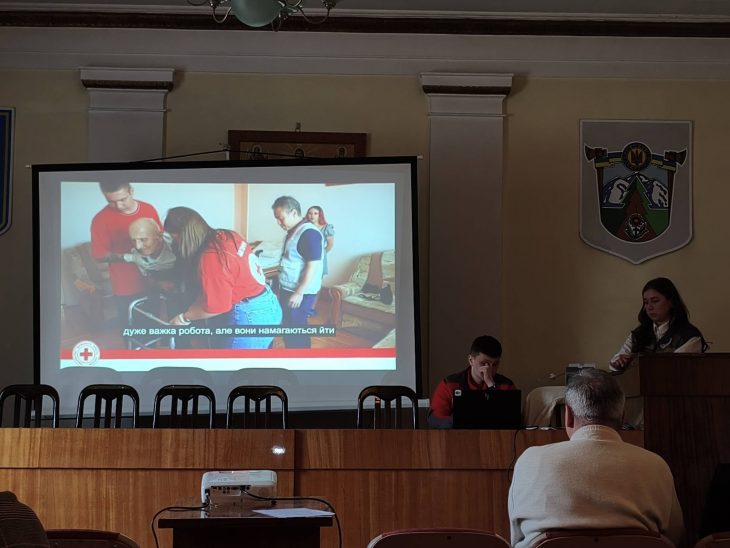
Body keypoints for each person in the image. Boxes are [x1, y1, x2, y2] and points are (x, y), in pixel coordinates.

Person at [508, 368, 684, 548]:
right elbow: (675, 536)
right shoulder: (656, 465)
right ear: (622, 416)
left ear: (568, 415)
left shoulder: (530, 461)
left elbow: (517, 538)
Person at [165, 207, 282, 349]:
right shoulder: (227, 235)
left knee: (236, 362)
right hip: (269, 304)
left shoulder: (211, 257)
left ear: (185, 236)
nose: (175, 244)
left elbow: (217, 307)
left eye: (175, 239)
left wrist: (184, 318)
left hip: (251, 315)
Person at [90, 181, 161, 325]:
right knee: (130, 329)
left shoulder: (148, 209)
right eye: (111, 202)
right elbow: (99, 256)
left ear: (131, 191)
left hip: (153, 279)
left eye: (123, 199)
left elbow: (160, 238)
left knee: (153, 324)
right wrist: (131, 258)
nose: (119, 206)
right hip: (125, 284)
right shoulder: (100, 220)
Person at [611, 277, 707, 370]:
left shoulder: (689, 336)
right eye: (646, 302)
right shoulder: (640, 333)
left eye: (655, 301)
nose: (649, 307)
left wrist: (633, 362)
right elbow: (613, 363)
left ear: (671, 302)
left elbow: (670, 368)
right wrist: (620, 362)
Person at [427, 335, 516, 429]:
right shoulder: (449, 384)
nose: (489, 369)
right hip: (459, 436)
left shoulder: (507, 386)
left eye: (495, 364)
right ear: (471, 360)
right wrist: (461, 419)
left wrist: (491, 385)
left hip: (495, 437)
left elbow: (511, 421)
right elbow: (434, 419)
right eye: (484, 363)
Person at [272, 196, 324, 348]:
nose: (278, 222)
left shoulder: (309, 233)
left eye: (281, 218)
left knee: (296, 327)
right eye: (276, 218)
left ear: (294, 213)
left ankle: (300, 357)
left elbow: (312, 266)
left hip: (300, 292)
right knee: (289, 325)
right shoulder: (293, 231)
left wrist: (299, 292)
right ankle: (293, 354)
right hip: (289, 288)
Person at [306, 205, 335, 276]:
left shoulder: (326, 228)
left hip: (319, 258)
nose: (312, 215)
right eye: (310, 213)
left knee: (317, 276)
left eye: (315, 213)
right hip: (305, 256)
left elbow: (330, 245)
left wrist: (321, 253)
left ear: (320, 215)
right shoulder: (305, 226)